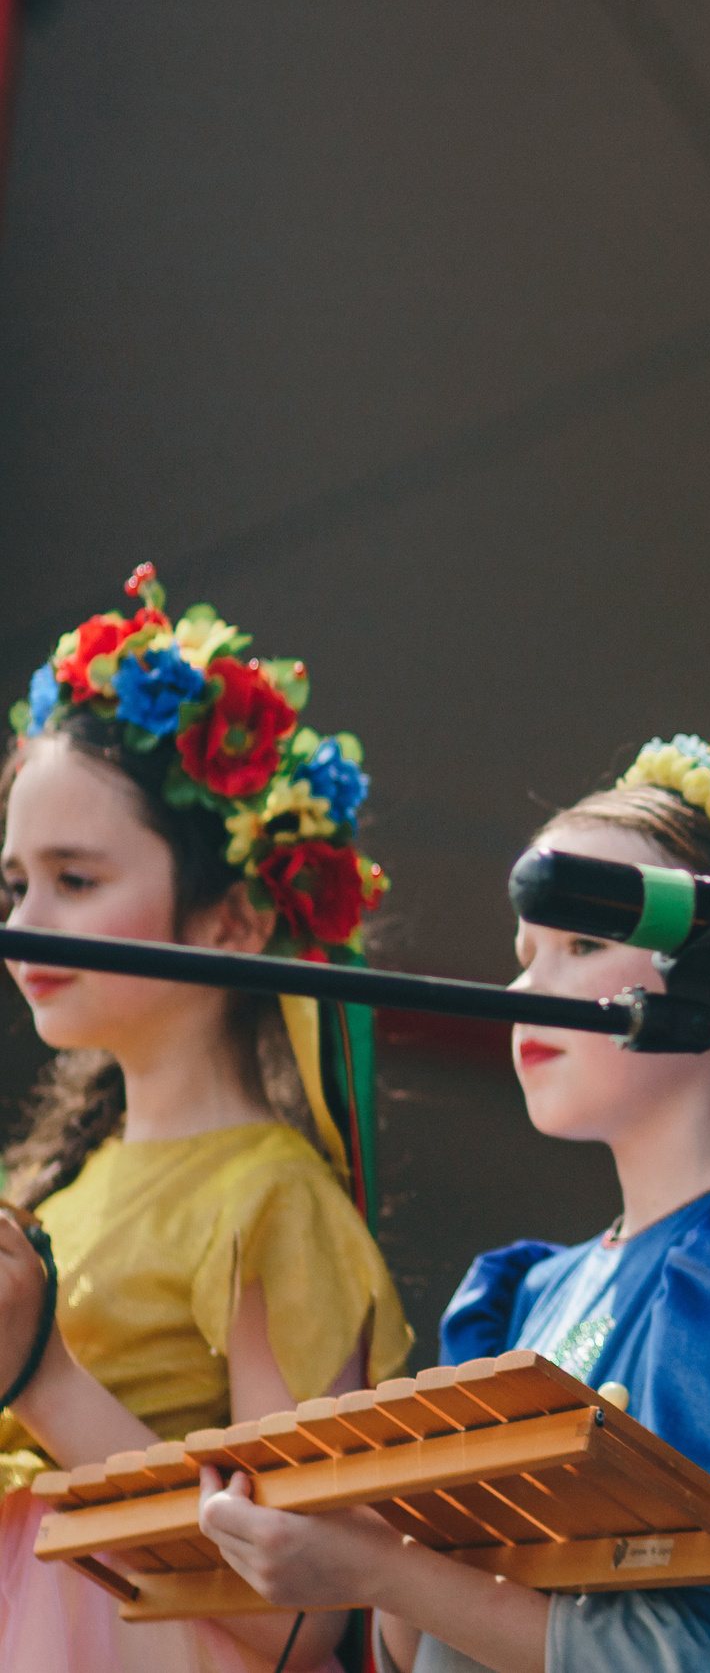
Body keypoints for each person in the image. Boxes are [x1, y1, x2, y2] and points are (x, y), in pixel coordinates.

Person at [195, 735, 710, 1673]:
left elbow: (677, 1660)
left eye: (583, 943)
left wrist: (377, 1567)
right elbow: (427, 1644)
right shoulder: (523, 1292)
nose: (527, 989)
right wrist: (370, 1545)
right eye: (525, 953)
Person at [0, 563, 406, 1672]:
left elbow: (306, 1619)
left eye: (76, 880)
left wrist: (44, 1380)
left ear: (233, 919)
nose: (26, 921)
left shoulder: (271, 1197)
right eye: (16, 884)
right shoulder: (55, 1193)